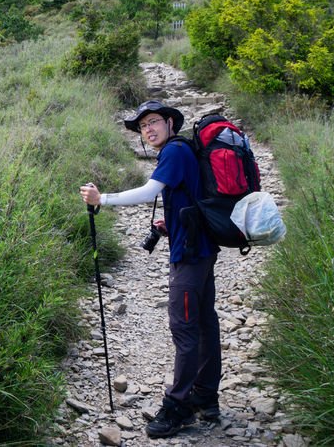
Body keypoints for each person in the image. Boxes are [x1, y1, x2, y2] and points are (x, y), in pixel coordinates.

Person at [79, 100, 221, 439]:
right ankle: (205, 395)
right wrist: (171, 223)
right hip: (201, 249)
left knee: (184, 328)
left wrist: (103, 200)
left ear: (171, 123)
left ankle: (178, 407)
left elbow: (149, 192)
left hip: (189, 256)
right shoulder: (184, 149)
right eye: (143, 126)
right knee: (204, 323)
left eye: (154, 121)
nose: (148, 129)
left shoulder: (174, 151)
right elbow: (191, 196)